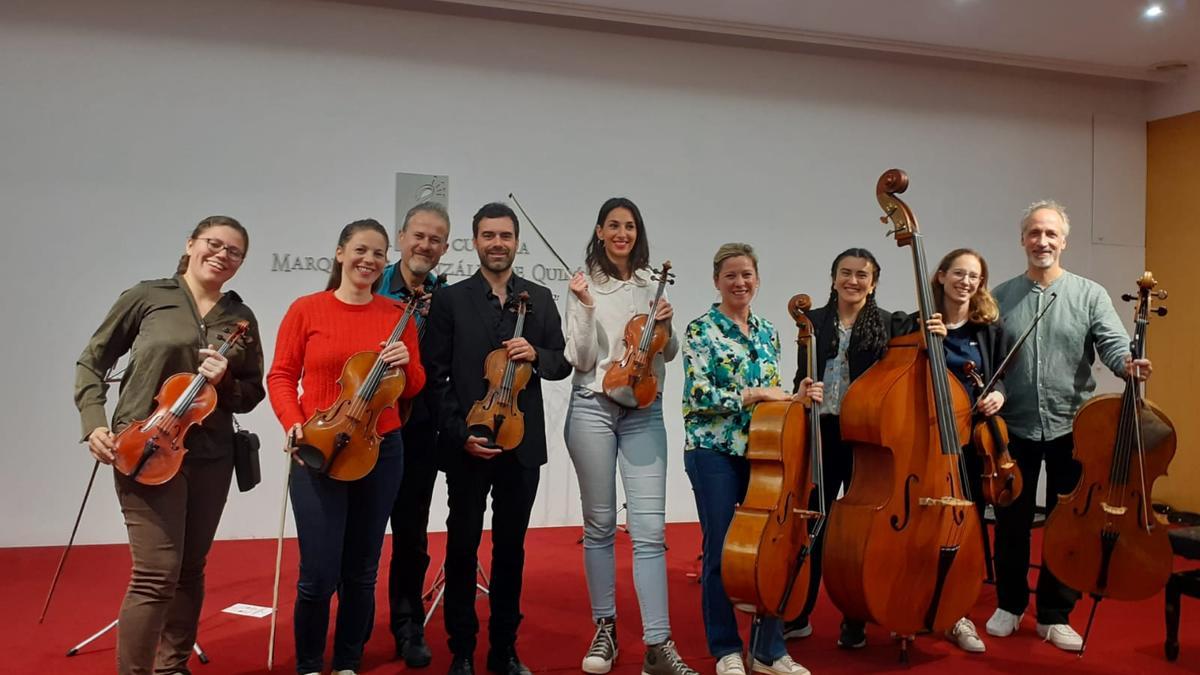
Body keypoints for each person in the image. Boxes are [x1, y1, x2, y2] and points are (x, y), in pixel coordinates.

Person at [75, 216, 265, 675]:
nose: (222, 255)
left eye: (234, 251)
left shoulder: (240, 317)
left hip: (212, 454)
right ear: (191, 243)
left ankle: (173, 667)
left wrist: (226, 381)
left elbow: (251, 392)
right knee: (155, 574)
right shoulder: (147, 297)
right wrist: (94, 423)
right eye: (214, 244)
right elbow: (92, 361)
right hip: (143, 448)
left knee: (190, 569)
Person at [986, 200, 1152, 652]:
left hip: (1072, 430)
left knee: (1068, 525)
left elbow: (1113, 344)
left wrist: (1127, 365)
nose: (1042, 241)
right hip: (1014, 428)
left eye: (1050, 234)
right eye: (1034, 233)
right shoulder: (999, 297)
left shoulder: (1090, 294)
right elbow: (990, 360)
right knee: (1012, 521)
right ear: (1022, 239)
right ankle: (1009, 604)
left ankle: (1054, 614)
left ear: (1064, 242)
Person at [267, 218, 426, 675]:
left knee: (361, 569)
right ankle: (310, 664)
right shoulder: (306, 309)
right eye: (360, 250)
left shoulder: (397, 314)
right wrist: (293, 423)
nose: (369, 260)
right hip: (318, 445)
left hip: (381, 448)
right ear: (340, 253)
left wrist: (406, 363)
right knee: (318, 573)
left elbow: (414, 386)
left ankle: (348, 661)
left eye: (378, 254)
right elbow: (281, 375)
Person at [424, 202, 571, 675]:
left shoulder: (539, 297)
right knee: (462, 547)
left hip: (521, 445)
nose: (497, 243)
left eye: (505, 236)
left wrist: (538, 354)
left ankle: (504, 649)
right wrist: (460, 432)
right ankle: (462, 650)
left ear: (516, 242)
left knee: (511, 550)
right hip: (468, 444)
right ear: (475, 242)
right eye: (488, 235)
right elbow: (435, 376)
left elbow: (561, 362)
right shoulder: (451, 300)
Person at [563, 197, 696, 675]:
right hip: (593, 406)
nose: (623, 233)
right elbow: (581, 359)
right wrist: (584, 308)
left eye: (630, 226)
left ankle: (658, 644)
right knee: (599, 526)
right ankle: (606, 629)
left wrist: (667, 325)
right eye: (614, 225)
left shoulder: (649, 284)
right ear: (600, 231)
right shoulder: (583, 284)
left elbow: (668, 353)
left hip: (644, 409)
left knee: (650, 531)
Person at [682, 243, 821, 675]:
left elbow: (775, 396)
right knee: (722, 551)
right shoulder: (701, 330)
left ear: (757, 280)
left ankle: (768, 651)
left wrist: (796, 397)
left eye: (746, 275)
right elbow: (699, 395)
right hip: (713, 452)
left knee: (772, 549)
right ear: (716, 281)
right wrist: (759, 393)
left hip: (764, 453)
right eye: (730, 275)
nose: (739, 282)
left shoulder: (768, 331)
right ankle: (725, 648)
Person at [780, 248, 912, 650]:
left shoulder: (890, 324)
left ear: (873, 282)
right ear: (833, 277)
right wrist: (803, 390)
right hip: (822, 434)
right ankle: (799, 613)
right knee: (813, 524)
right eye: (845, 273)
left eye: (862, 275)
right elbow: (801, 378)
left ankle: (856, 618)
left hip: (867, 441)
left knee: (862, 532)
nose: (852, 281)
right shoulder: (813, 321)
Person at [921, 248, 1013, 654]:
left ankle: (958, 613)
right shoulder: (918, 323)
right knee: (922, 529)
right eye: (959, 273)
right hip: (927, 442)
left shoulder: (989, 329)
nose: (966, 282)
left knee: (965, 528)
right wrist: (925, 342)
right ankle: (912, 603)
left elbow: (1001, 375)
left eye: (974, 276)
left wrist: (998, 394)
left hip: (973, 442)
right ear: (941, 276)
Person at [380, 201, 452, 668]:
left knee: (411, 534)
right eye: (418, 236)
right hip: (364, 423)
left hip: (419, 428)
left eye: (435, 240)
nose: (425, 245)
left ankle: (407, 625)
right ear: (401, 237)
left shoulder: (446, 299)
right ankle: (347, 631)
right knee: (356, 535)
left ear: (444, 248)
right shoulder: (369, 282)